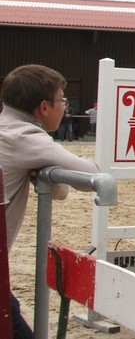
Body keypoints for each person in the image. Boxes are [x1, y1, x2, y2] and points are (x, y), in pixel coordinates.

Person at [0, 64, 101, 339]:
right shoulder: (26, 137)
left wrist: (48, 175)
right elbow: (93, 175)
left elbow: (58, 192)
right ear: (44, 107)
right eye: (62, 101)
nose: (65, 107)